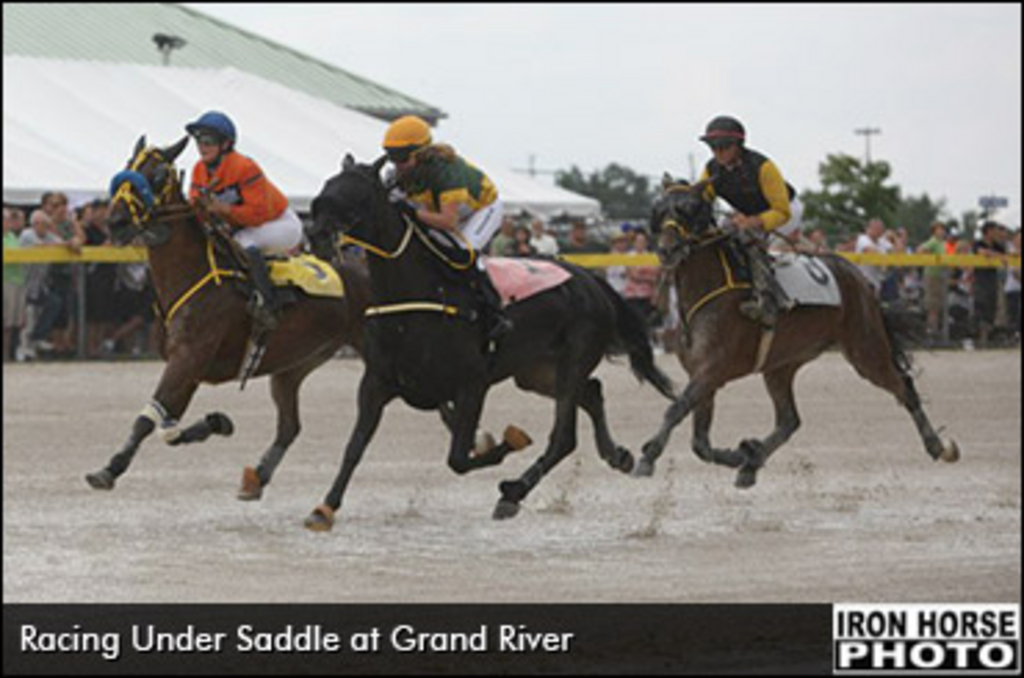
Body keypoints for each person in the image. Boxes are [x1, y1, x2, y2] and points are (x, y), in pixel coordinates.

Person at [382, 114, 511, 341]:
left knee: (462, 253)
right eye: (391, 157)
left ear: (420, 154)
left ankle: (494, 313)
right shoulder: (399, 173)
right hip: (443, 211)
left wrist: (410, 211)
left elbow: (448, 222)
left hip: (482, 210)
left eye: (402, 158)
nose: (397, 165)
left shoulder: (446, 173)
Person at [185, 110, 301, 331]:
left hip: (280, 223)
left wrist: (223, 209)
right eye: (199, 140)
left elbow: (256, 215)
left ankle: (268, 304)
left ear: (226, 144)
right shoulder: (199, 170)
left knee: (241, 241)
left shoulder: (245, 167)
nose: (202, 146)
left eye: (208, 141)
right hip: (247, 226)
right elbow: (195, 207)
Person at [696, 115, 800, 326]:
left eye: (724, 146)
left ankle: (768, 299)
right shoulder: (711, 169)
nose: (718, 152)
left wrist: (754, 222)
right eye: (713, 147)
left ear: (738, 145)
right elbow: (700, 200)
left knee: (748, 238)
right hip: (745, 212)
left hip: (785, 209)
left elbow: (782, 211)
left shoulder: (764, 167)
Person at [3, 207, 28, 361]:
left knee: (13, 322)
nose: (7, 223)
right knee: (5, 321)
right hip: (5, 280)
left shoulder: (12, 236)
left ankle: (8, 352)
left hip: (17, 280)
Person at [918, 222, 948, 338]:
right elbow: (921, 249)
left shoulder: (942, 243)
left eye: (943, 229)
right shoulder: (933, 241)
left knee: (938, 304)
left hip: (940, 276)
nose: (942, 231)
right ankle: (931, 331)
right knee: (933, 305)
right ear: (934, 231)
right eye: (939, 229)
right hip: (932, 275)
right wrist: (928, 258)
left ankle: (936, 330)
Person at [855, 218, 892, 296]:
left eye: (881, 229)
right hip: (863, 282)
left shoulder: (882, 241)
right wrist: (884, 264)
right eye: (876, 228)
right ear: (868, 228)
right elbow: (872, 253)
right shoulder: (863, 239)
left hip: (876, 283)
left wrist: (894, 238)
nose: (879, 231)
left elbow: (898, 252)